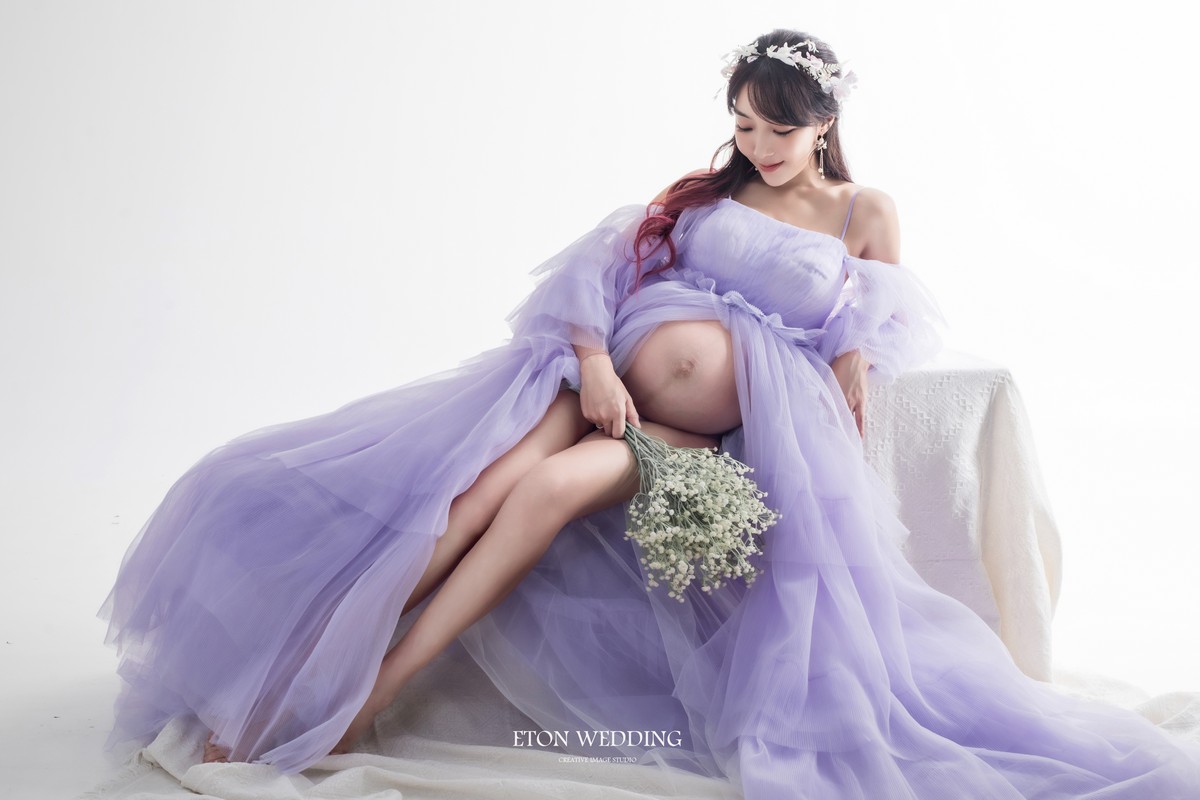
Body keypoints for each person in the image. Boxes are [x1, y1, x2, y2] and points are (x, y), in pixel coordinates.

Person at [98, 28, 1200, 798]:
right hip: (595, 384)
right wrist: (593, 360)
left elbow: (873, 321)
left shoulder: (863, 209)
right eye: (742, 126)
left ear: (824, 122)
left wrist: (849, 361)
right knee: (468, 498)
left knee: (541, 495)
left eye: (775, 130)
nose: (756, 146)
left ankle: (369, 692)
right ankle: (305, 687)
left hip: (690, 434)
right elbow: (604, 265)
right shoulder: (706, 197)